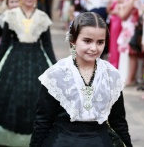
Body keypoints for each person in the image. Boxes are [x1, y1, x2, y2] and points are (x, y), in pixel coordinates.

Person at [29, 12, 132, 147]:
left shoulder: (112, 75)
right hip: (62, 141)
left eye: (100, 42)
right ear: (73, 40)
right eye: (87, 41)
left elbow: (118, 122)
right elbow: (43, 122)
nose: (94, 48)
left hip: (100, 141)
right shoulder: (56, 75)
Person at [0, 0, 56, 147]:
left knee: (37, 96)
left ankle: (36, 136)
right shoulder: (11, 15)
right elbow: (5, 44)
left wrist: (56, 67)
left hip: (37, 59)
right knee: (10, 95)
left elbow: (47, 45)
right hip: (14, 59)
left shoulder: (43, 17)